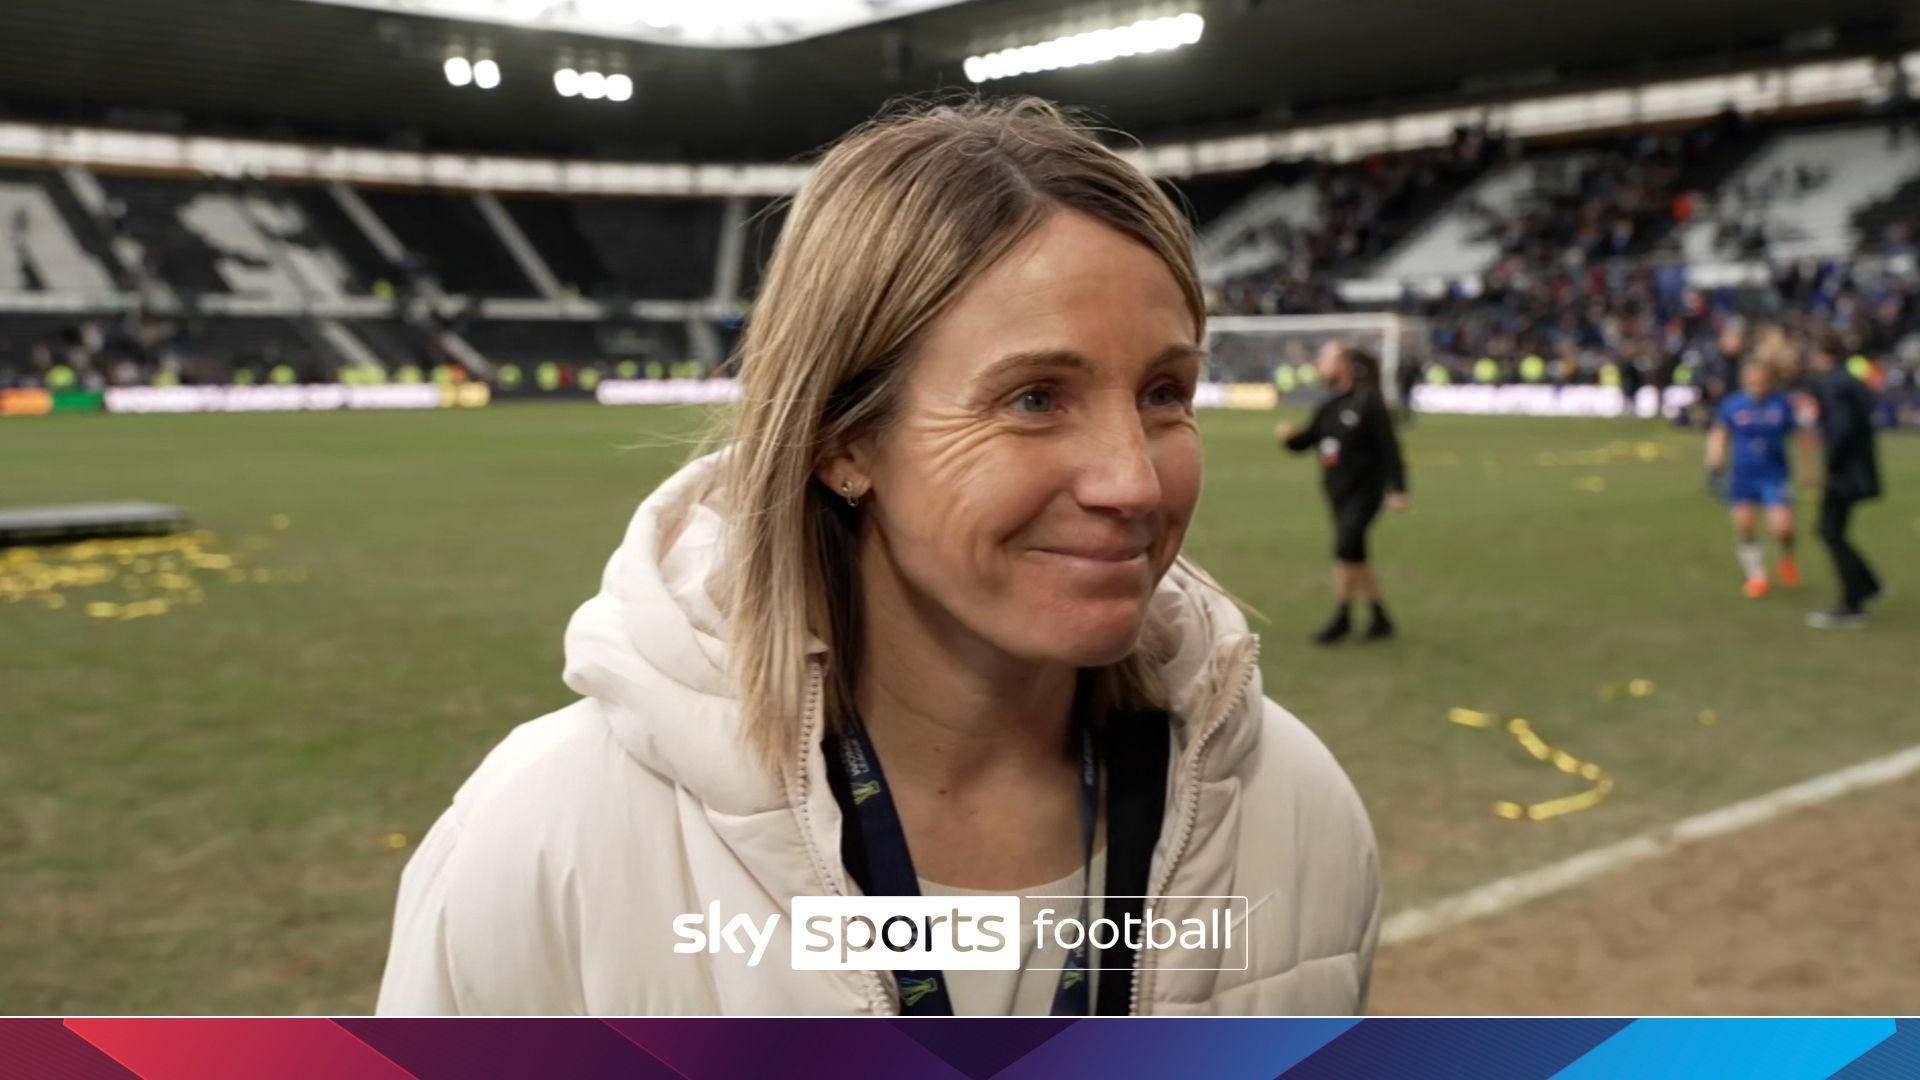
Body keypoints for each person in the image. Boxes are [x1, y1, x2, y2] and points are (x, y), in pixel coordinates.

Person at [376, 99, 1379, 1016]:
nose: (1135, 482)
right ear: (842, 441)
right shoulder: (549, 839)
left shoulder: (1292, 808)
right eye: (1034, 398)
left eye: (1165, 393)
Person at [1278, 341, 1410, 644]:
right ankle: (1380, 617)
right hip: (1336, 492)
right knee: (1355, 553)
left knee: (1345, 545)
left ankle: (1342, 617)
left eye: (1326, 358)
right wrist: (1288, 438)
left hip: (1366, 492)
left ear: (1345, 366)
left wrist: (1399, 489)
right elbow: (1307, 441)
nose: (1320, 364)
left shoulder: (1369, 403)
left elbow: (1390, 449)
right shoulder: (1328, 406)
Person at [1703, 334, 1807, 599]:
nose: (1755, 382)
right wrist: (1715, 464)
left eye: (1759, 377)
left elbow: (1799, 436)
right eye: (1750, 377)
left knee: (1783, 527)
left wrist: (1809, 468)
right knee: (1745, 525)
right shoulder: (1734, 404)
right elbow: (1719, 434)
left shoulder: (1781, 403)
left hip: (1774, 475)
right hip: (1743, 476)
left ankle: (1786, 556)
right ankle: (1757, 577)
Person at [1804, 330, 1885, 628]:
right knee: (1833, 531)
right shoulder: (1850, 379)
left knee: (1830, 531)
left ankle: (1854, 601)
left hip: (1844, 473)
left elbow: (1840, 428)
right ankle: (1868, 584)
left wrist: (1831, 466)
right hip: (1859, 468)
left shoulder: (1832, 384)